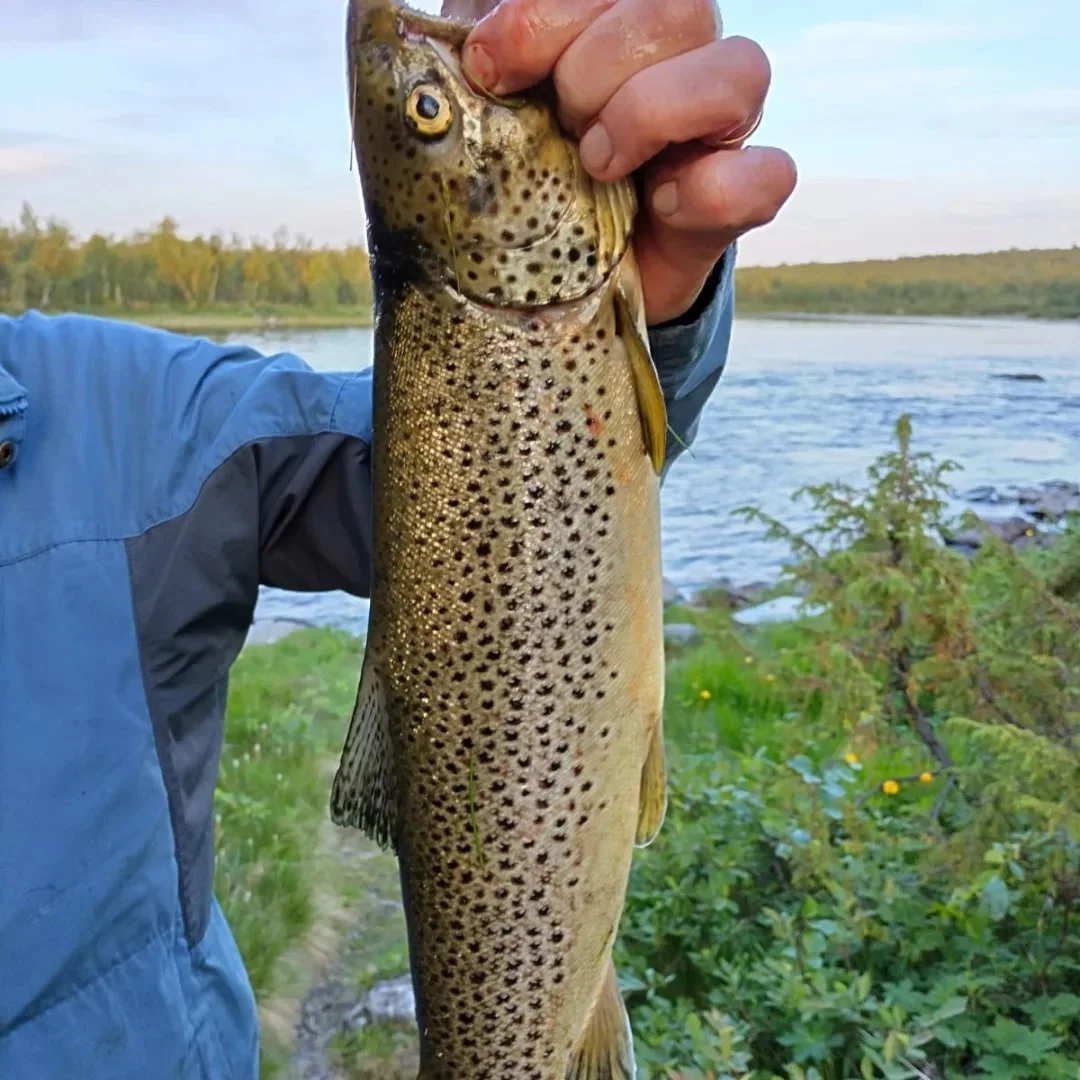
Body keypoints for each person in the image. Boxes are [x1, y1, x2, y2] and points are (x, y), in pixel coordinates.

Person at [0, 1, 795, 1076]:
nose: (438, 65)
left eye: (428, 112)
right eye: (434, 111)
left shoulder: (110, 406)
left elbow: (411, 475)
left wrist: (660, 305)